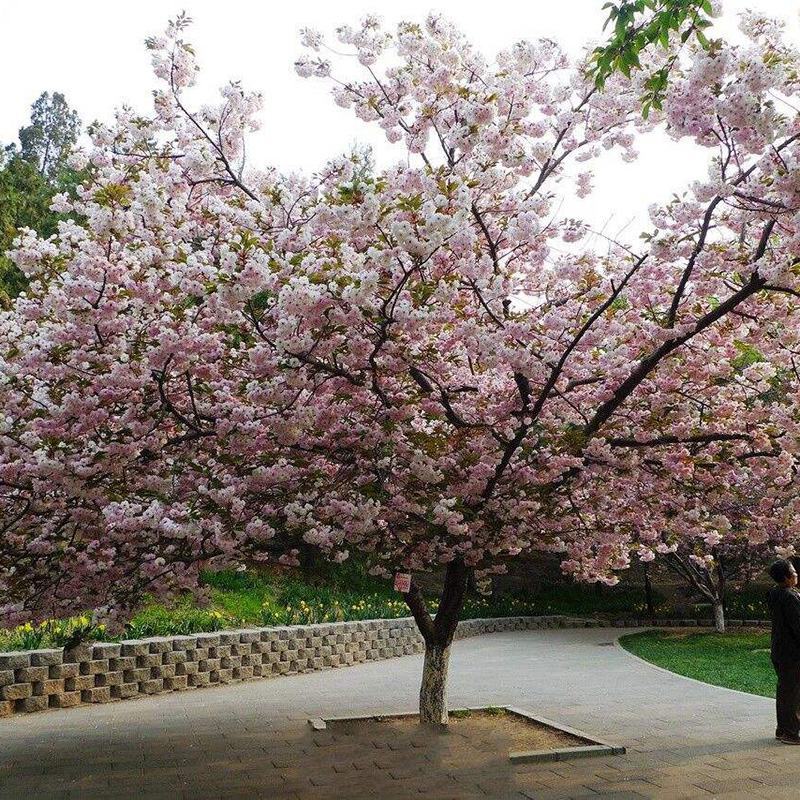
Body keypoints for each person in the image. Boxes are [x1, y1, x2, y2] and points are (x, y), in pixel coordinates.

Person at [768, 559, 800, 744]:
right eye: (793, 572)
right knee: (792, 693)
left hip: (780, 650)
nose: (796, 574)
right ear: (786, 578)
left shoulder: (774, 592)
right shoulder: (790, 597)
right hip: (793, 653)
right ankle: (790, 732)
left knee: (786, 691)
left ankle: (783, 729)